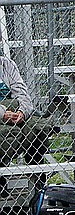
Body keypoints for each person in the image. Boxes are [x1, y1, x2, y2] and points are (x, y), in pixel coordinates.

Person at [0, 56, 54, 196]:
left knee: (38, 126)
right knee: (7, 133)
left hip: (14, 113)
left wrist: (21, 113)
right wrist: (3, 114)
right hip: (2, 115)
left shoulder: (6, 64)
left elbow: (23, 94)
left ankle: (37, 179)